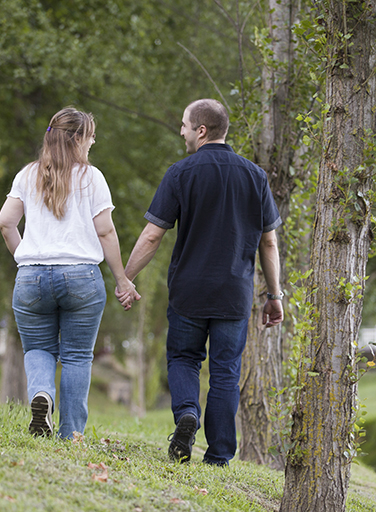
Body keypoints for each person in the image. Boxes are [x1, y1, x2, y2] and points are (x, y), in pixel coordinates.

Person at [119, 98, 284, 466]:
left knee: (183, 358)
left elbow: (152, 236)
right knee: (225, 371)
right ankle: (219, 455)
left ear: (201, 130)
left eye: (184, 125)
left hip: (189, 291)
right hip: (234, 294)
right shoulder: (255, 176)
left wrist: (125, 278)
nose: (181, 131)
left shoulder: (180, 173)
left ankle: (187, 413)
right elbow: (269, 243)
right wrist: (275, 295)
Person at [0, 107, 139, 439]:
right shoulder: (91, 177)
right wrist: (122, 279)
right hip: (81, 278)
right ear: (77, 139)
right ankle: (71, 434)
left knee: (37, 349)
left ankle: (41, 394)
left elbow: (5, 223)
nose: (93, 142)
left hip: (31, 277)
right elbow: (105, 231)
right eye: (90, 136)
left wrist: (26, 259)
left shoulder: (27, 175)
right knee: (77, 357)